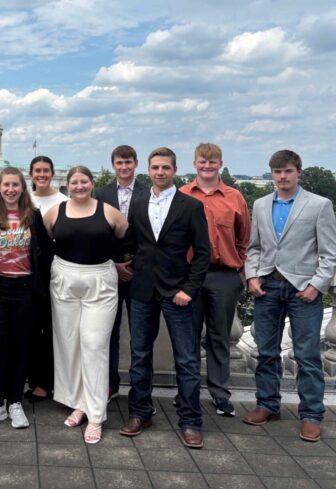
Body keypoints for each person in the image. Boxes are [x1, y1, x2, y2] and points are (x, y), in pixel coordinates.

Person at [243, 149, 336, 442]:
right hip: (267, 287)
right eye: (277, 172)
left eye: (287, 171)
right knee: (266, 351)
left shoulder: (319, 205)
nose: (282, 177)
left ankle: (311, 415)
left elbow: (330, 252)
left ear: (298, 171)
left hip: (303, 290)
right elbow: (254, 247)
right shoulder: (260, 205)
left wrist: (316, 285)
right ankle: (268, 405)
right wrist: (252, 275)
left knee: (307, 354)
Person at [119, 147, 210, 449]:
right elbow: (133, 242)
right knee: (139, 355)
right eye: (155, 167)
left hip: (178, 292)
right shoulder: (139, 202)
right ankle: (139, 412)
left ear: (174, 170)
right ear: (148, 169)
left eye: (165, 167)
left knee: (186, 359)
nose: (160, 172)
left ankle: (190, 420)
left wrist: (189, 288)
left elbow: (202, 253)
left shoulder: (190, 205)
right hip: (143, 290)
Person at [44, 166, 128, 444]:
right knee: (70, 344)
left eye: (84, 181)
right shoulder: (56, 212)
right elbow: (45, 242)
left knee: (94, 345)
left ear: (92, 183)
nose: (79, 186)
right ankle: (79, 402)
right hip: (64, 279)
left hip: (100, 281)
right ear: (67, 185)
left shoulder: (109, 212)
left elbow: (124, 238)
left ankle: (95, 414)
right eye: (74, 182)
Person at [0, 167, 53, 429]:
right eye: (5, 185)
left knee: (21, 348)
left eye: (15, 185)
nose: (10, 190)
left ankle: (15, 401)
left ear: (22, 188)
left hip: (25, 291)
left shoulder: (33, 216)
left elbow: (44, 253)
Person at [179, 143, 250, 417]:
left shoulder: (235, 198)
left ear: (220, 164)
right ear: (194, 164)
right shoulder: (182, 195)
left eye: (212, 162)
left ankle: (220, 393)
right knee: (189, 338)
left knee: (219, 337)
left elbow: (244, 239)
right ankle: (189, 392)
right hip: (189, 277)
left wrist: (240, 273)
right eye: (202, 162)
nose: (207, 166)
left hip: (223, 276)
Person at [96, 145, 149, 401]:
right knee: (109, 332)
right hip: (110, 271)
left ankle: (140, 388)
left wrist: (133, 265)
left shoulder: (149, 193)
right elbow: (97, 234)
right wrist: (115, 264)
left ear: (135, 164)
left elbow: (151, 237)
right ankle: (110, 383)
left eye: (128, 162)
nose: (124, 167)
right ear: (113, 165)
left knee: (140, 335)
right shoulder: (102, 193)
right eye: (119, 163)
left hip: (140, 272)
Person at [26, 156, 67, 402]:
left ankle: (51, 382)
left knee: (54, 328)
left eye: (46, 170)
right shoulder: (24, 200)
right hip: (27, 272)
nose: (42, 175)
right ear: (30, 174)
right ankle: (35, 380)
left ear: (52, 173)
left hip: (55, 269)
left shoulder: (64, 201)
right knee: (32, 328)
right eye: (37, 171)